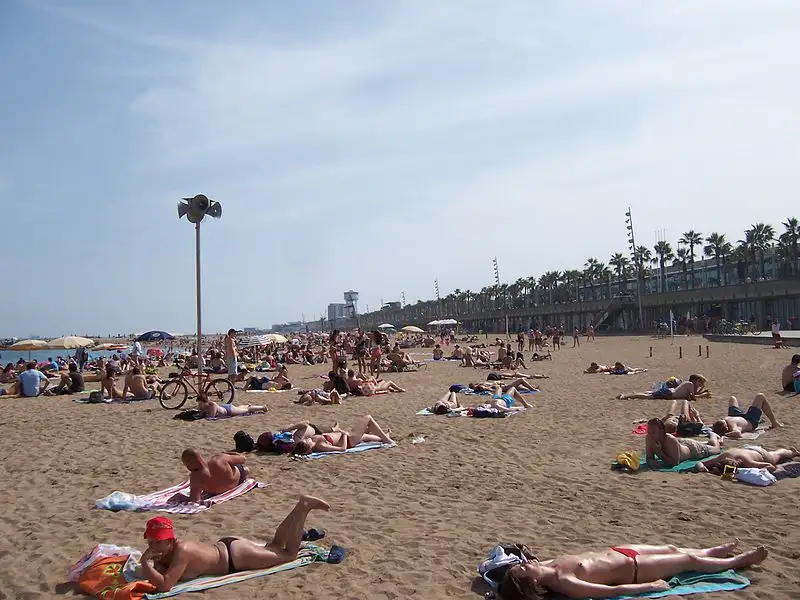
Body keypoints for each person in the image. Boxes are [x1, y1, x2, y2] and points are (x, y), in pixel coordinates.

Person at [141, 496, 330, 591]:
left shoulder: (182, 550)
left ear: (171, 541)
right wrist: (155, 564)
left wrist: (145, 564)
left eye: (157, 542)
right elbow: (162, 571)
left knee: (289, 554)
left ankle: (304, 508)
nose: (152, 547)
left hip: (235, 558)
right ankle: (300, 506)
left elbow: (165, 586)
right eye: (150, 542)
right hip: (228, 547)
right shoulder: (167, 552)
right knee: (275, 545)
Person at [496, 541, 767, 600]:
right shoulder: (564, 581)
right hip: (635, 568)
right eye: (522, 570)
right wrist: (650, 587)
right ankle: (737, 562)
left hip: (621, 551)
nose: (524, 564)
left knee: (674, 549)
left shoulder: (546, 565)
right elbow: (610, 591)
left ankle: (711, 552)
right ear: (532, 584)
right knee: (687, 562)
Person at [290, 415, 395, 455]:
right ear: (308, 447)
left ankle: (385, 437)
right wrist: (344, 435)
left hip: (349, 436)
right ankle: (388, 440)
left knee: (376, 438)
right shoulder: (320, 445)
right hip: (350, 439)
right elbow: (342, 449)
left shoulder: (314, 440)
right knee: (368, 419)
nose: (307, 439)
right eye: (306, 441)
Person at [178, 448, 250, 503]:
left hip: (216, 491)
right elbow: (243, 459)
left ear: (190, 463)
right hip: (238, 480)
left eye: (186, 465)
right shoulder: (219, 459)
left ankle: (244, 470)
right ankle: (245, 470)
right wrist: (227, 454)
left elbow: (195, 500)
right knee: (237, 466)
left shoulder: (195, 477)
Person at [645, 418, 721, 468]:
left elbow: (675, 462)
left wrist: (659, 452)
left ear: (661, 431)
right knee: (705, 444)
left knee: (716, 449)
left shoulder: (669, 439)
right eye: (649, 432)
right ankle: (706, 441)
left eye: (653, 432)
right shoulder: (649, 438)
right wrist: (651, 461)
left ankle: (713, 435)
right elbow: (649, 458)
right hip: (680, 443)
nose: (650, 435)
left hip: (693, 449)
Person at [711, 394, 783, 438]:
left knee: (732, 398)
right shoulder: (732, 426)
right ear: (726, 427)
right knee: (760, 396)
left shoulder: (725, 422)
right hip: (750, 420)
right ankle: (775, 423)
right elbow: (737, 433)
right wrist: (725, 435)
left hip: (735, 415)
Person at [695, 446, 799, 474]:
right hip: (748, 449)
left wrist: (754, 470)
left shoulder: (747, 462)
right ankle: (791, 452)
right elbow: (699, 463)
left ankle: (793, 453)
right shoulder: (722, 457)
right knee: (776, 453)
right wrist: (702, 468)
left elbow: (770, 466)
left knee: (777, 455)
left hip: (760, 454)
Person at [617, 374, 708, 400]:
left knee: (648, 394)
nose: (700, 385)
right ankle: (625, 396)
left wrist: (702, 391)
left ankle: (629, 394)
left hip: (669, 392)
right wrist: (703, 395)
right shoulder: (690, 384)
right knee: (648, 396)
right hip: (669, 393)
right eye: (700, 383)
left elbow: (694, 394)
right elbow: (692, 397)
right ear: (695, 381)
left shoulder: (690, 385)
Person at [196, 393, 267, 418]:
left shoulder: (212, 405)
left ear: (205, 401)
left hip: (228, 410)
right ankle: (247, 405)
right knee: (239, 408)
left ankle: (262, 407)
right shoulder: (202, 406)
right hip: (224, 407)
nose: (200, 405)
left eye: (201, 403)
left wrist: (203, 414)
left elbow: (211, 416)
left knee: (246, 410)